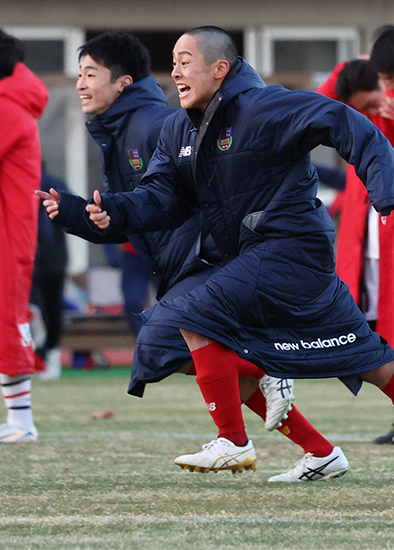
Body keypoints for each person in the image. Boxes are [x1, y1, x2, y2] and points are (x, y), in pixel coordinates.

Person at [58, 27, 394, 490]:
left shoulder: (267, 107)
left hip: (294, 250)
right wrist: (113, 212)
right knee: (370, 361)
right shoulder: (176, 127)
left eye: (186, 61)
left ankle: (233, 439)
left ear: (220, 69)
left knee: (189, 312)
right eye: (174, 61)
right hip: (251, 256)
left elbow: (348, 125)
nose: (176, 72)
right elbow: (162, 197)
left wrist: (384, 189)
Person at [41, 32, 346, 482]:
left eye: (90, 74)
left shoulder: (150, 124)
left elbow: (191, 193)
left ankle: (250, 404)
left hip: (205, 259)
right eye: (80, 74)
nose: (81, 84)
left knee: (166, 348)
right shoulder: (120, 129)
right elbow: (137, 213)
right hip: (182, 262)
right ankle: (317, 449)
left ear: (122, 82)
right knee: (191, 356)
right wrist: (76, 214)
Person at [0, 29, 49, 444]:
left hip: (7, 240)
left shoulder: (7, 109)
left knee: (6, 322)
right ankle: (19, 420)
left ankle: (21, 421)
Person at [31, 165, 70, 381]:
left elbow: (70, 212)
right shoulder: (14, 184)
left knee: (53, 311)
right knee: (34, 309)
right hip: (27, 258)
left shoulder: (52, 184)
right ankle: (39, 355)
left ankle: (51, 354)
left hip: (53, 257)